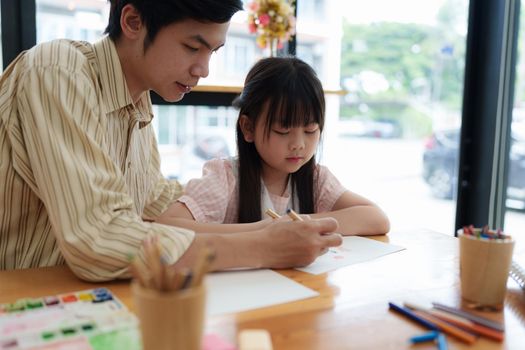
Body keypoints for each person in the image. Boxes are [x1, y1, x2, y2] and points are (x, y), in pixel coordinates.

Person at [0, 0, 343, 281]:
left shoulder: (136, 101)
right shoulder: (58, 72)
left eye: (213, 51)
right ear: (133, 21)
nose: (203, 69)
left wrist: (257, 220)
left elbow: (153, 202)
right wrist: (263, 245)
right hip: (25, 295)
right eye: (193, 47)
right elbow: (100, 237)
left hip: (86, 293)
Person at [157, 57, 390, 236]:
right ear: (248, 128)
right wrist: (267, 231)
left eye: (310, 130)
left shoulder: (316, 179)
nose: (299, 144)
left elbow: (377, 218)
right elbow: (167, 226)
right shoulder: (226, 178)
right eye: (283, 131)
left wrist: (298, 224)